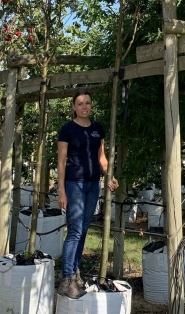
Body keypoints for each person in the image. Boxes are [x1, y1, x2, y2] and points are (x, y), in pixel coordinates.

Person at [57, 90, 118, 299]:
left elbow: (102, 157)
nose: (84, 106)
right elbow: (61, 162)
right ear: (74, 107)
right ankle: (66, 280)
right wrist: (61, 190)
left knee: (83, 230)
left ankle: (75, 273)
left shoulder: (97, 129)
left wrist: (109, 176)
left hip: (93, 185)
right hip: (74, 184)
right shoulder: (67, 129)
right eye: (80, 103)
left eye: (87, 103)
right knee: (74, 231)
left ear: (91, 105)